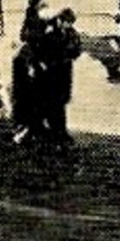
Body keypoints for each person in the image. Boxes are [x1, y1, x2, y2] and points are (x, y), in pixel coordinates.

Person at [41, 9, 82, 144]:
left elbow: (76, 51)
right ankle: (56, 132)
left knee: (61, 101)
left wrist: (66, 53)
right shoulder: (50, 34)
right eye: (66, 22)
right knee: (54, 103)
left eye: (70, 23)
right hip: (51, 72)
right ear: (60, 21)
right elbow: (42, 53)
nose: (68, 25)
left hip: (64, 71)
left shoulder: (72, 34)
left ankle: (60, 131)